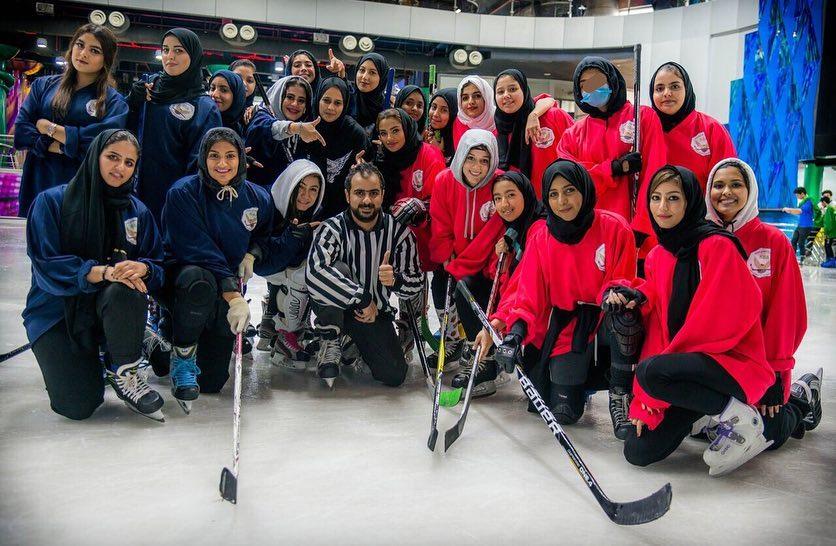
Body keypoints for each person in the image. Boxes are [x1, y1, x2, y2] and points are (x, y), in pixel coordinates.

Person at [617, 165, 774, 475]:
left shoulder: (717, 246)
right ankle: (706, 410)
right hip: (682, 369)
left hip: (730, 364)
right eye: (656, 198)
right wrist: (645, 403)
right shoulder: (658, 256)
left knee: (652, 372)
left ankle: (740, 417)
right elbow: (659, 333)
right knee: (638, 451)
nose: (663, 207)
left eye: (673, 198)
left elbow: (733, 314)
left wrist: (665, 370)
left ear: (690, 201)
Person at [23, 129, 165, 421]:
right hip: (56, 313)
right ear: (94, 156)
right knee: (78, 405)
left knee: (126, 285)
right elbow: (47, 266)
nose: (120, 168)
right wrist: (100, 272)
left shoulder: (138, 211)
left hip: (109, 307)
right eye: (113, 157)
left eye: (129, 163)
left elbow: (158, 264)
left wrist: (145, 268)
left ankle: (123, 365)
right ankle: (118, 345)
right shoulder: (51, 203)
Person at [493, 160, 639, 437]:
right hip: (569, 329)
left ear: (585, 190)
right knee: (564, 414)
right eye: (554, 194)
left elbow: (624, 280)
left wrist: (613, 295)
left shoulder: (615, 227)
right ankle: (578, 383)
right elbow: (529, 295)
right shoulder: (541, 236)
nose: (562, 201)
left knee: (626, 318)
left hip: (607, 319)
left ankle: (621, 393)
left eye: (569, 190)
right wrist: (515, 334)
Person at [704, 158, 822, 448]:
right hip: (716, 363)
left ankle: (802, 397)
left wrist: (776, 376)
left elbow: (787, 313)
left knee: (767, 433)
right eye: (718, 185)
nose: (726, 192)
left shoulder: (772, 242)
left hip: (762, 366)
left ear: (750, 190)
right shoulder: (703, 241)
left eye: (736, 184)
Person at [158, 128, 273, 412]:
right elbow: (199, 251)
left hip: (225, 288)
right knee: (200, 279)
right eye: (214, 156)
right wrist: (233, 296)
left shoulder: (257, 197)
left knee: (211, 381)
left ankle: (171, 344)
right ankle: (180, 350)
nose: (222, 164)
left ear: (241, 159)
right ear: (203, 159)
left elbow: (267, 234)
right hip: (188, 282)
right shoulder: (182, 194)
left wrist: (252, 253)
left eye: (230, 156)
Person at [306, 162, 422, 387]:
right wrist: (362, 297)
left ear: (382, 195)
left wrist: (396, 280)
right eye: (359, 193)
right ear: (347, 195)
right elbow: (315, 273)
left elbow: (416, 282)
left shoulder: (399, 234)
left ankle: (352, 341)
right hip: (343, 306)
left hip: (372, 313)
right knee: (335, 269)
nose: (367, 201)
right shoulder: (332, 228)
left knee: (394, 375)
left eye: (373, 193)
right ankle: (331, 337)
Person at [14, 23, 127, 217]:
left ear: (106, 59)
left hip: (82, 185)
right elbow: (22, 132)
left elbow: (102, 145)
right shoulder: (44, 86)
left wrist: (49, 128)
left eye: (94, 50)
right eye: (80, 45)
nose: (83, 54)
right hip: (39, 179)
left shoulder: (113, 101)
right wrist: (62, 144)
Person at [557, 56, 667, 247]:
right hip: (589, 231)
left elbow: (654, 174)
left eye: (597, 80)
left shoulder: (642, 118)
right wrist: (613, 169)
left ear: (612, 79)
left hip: (636, 230)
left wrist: (643, 225)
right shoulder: (572, 135)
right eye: (585, 84)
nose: (591, 88)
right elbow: (575, 181)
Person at [454, 171, 546, 398]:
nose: (504, 204)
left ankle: (494, 351)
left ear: (525, 193)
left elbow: (522, 283)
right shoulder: (513, 227)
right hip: (515, 302)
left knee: (541, 399)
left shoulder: (538, 228)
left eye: (511, 195)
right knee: (466, 287)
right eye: (497, 198)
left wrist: (496, 322)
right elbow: (498, 277)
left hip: (536, 310)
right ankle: (486, 359)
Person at [126, 27, 222, 223]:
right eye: (165, 49)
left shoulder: (204, 107)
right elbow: (125, 135)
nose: (170, 56)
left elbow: (200, 165)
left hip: (176, 200)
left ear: (193, 55)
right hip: (135, 193)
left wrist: (182, 202)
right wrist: (131, 104)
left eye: (179, 50)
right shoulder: (149, 91)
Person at [430, 129, 505, 371]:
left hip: (487, 262)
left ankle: (485, 355)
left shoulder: (500, 183)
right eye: (471, 158)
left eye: (485, 161)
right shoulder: (444, 180)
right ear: (461, 155)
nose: (476, 167)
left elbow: (505, 223)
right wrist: (446, 252)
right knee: (440, 286)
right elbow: (439, 221)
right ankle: (454, 338)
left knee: (471, 293)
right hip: (457, 258)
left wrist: (493, 259)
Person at [374, 108, 446, 360]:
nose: (390, 138)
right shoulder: (381, 157)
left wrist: (420, 207)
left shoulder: (428, 154)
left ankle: (411, 323)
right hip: (395, 239)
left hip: (426, 236)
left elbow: (440, 197)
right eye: (383, 133)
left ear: (407, 128)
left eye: (395, 131)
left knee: (417, 280)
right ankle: (396, 326)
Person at [255, 159, 324, 369]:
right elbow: (264, 264)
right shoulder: (267, 205)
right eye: (301, 188)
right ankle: (286, 334)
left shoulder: (316, 213)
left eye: (313, 190)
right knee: (301, 275)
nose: (306, 196)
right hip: (266, 267)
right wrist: (292, 238)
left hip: (284, 269)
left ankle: (279, 317)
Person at [649, 61, 736, 187]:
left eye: (675, 86)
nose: (667, 93)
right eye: (659, 88)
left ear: (687, 89)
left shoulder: (711, 129)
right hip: (655, 206)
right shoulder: (644, 131)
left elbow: (729, 181)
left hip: (702, 207)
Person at [493, 69, 574, 198]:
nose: (506, 95)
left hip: (559, 201)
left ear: (524, 90)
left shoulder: (554, 116)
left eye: (513, 89)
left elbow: (579, 153)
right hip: (521, 207)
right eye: (500, 92)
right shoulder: (497, 132)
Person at [245, 75, 324, 188]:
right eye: (290, 97)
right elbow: (267, 127)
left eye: (301, 101)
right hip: (258, 195)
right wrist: (295, 128)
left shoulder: (308, 127)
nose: (295, 104)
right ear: (280, 97)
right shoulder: (261, 116)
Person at [308, 77, 370, 219]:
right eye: (326, 100)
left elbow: (368, 169)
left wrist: (363, 170)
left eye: (337, 103)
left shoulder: (355, 133)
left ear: (345, 105)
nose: (330, 108)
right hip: (305, 208)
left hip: (343, 213)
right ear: (318, 99)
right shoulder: (307, 127)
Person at [347, 53, 390, 133]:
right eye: (362, 70)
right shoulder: (345, 101)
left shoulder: (387, 110)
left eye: (372, 72)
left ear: (382, 78)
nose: (364, 77)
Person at [452, 75, 497, 149]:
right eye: (465, 98)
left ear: (486, 98)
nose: (471, 102)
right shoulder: (459, 122)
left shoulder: (499, 121)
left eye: (477, 96)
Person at [423, 87, 458, 165]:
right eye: (434, 107)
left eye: (444, 110)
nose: (435, 114)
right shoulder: (425, 137)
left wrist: (436, 152)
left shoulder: (460, 145)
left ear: (454, 113)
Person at [209, 70, 247, 136]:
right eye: (212, 88)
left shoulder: (246, 127)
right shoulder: (200, 123)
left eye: (224, 90)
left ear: (237, 96)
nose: (215, 94)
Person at [783, 187, 815, 264]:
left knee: (801, 242)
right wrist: (789, 211)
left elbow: (800, 211)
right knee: (793, 240)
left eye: (797, 195)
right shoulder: (803, 202)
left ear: (802, 194)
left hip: (806, 226)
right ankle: (792, 258)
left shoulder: (809, 201)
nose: (797, 197)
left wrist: (789, 209)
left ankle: (802, 259)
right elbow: (797, 212)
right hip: (800, 225)